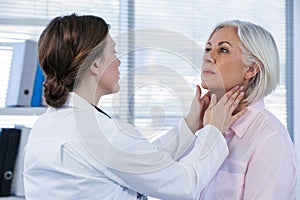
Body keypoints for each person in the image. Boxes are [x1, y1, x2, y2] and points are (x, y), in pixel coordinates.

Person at [23, 14, 245, 200]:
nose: (119, 62)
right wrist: (213, 132)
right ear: (96, 63)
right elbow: (183, 184)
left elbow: (141, 162)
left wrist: (190, 125)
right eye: (114, 53)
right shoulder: (101, 135)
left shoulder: (44, 127)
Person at [199, 19, 297, 200]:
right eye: (207, 48)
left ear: (251, 69)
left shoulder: (270, 140)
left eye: (223, 50)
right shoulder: (203, 128)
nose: (207, 57)